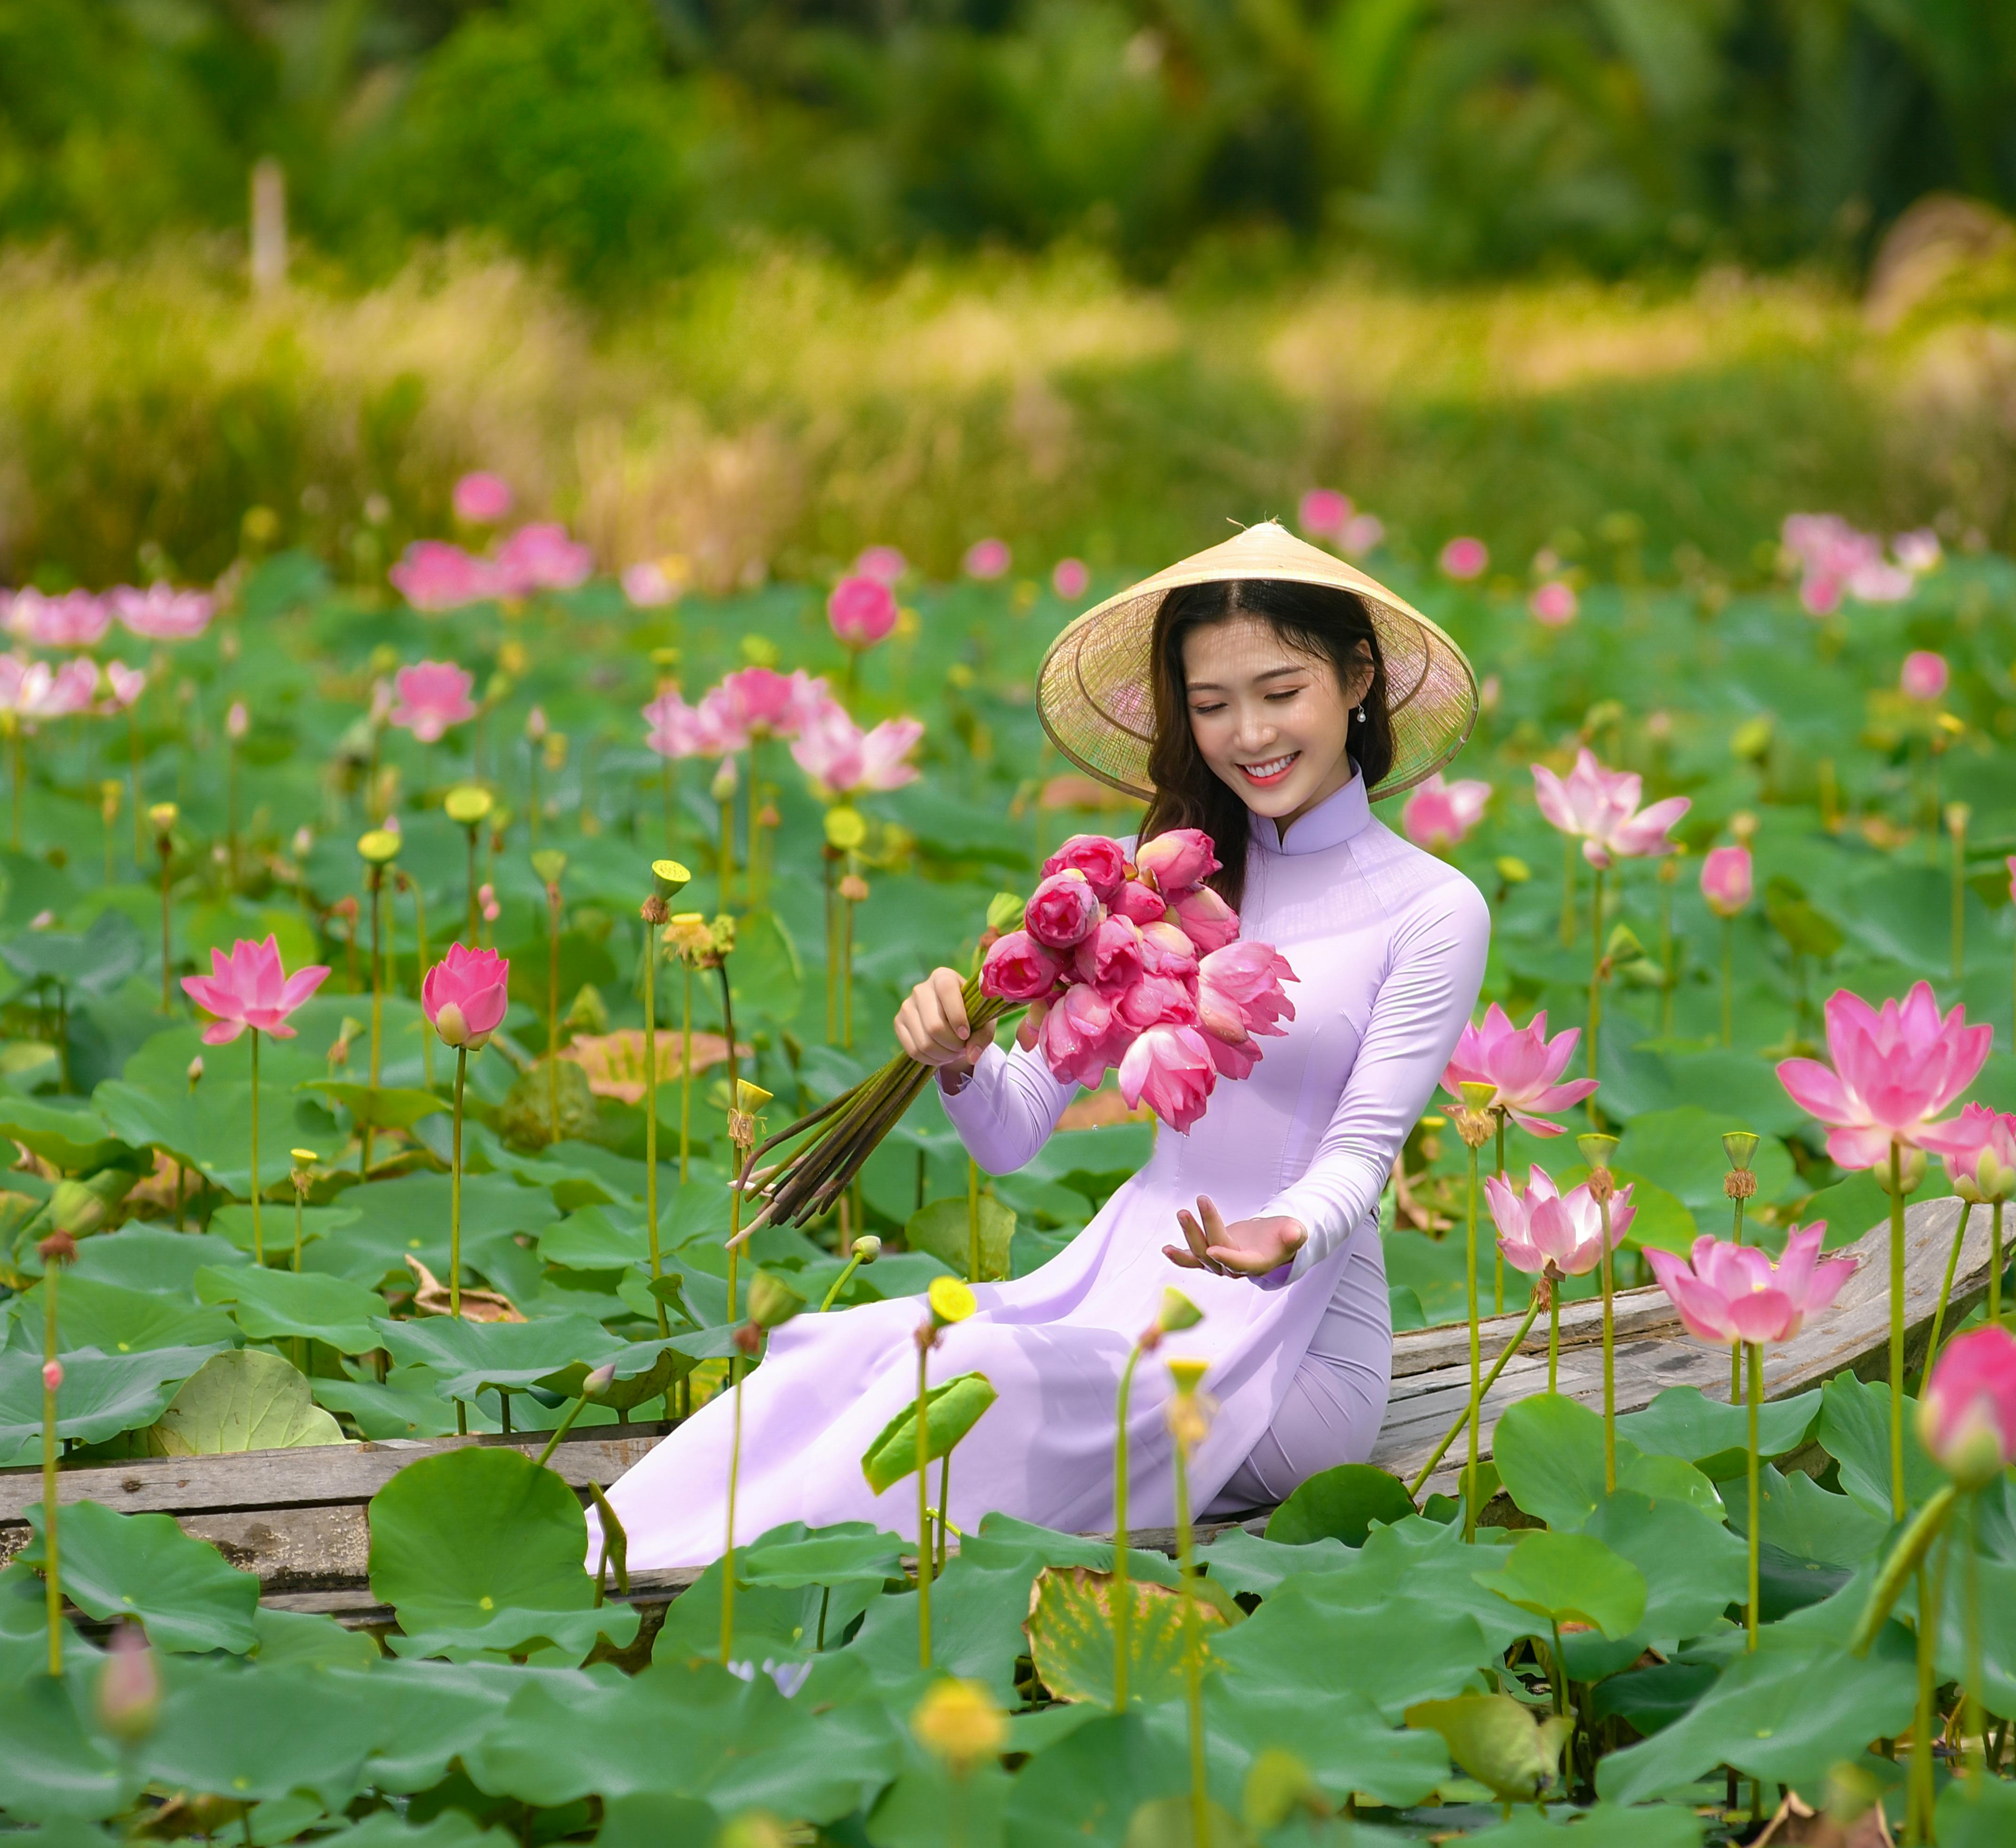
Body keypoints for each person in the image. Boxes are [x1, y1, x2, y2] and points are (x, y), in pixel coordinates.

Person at [602, 522, 1488, 1570]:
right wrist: (960, 1060)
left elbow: (1363, 1150)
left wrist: (1282, 1231)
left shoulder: (1430, 908)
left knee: (979, 1372)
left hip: (1289, 1349)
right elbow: (1013, 1133)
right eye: (1210, 705)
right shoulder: (1147, 880)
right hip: (1123, 1286)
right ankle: (620, 1564)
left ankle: (761, 1595)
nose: (1248, 732)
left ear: (1356, 680)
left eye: (1279, 691)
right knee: (854, 1342)